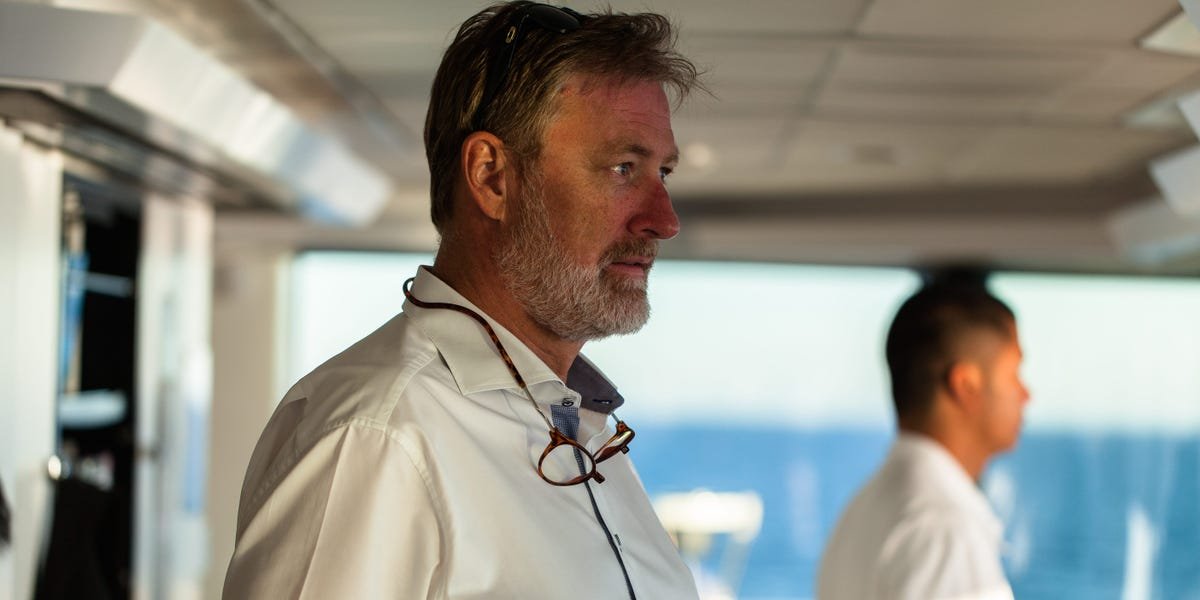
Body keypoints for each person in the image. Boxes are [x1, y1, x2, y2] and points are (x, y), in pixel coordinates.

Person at [223, 2, 702, 598]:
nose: (665, 220)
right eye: (623, 168)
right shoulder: (378, 435)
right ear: (492, 177)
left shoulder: (578, 427)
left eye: (663, 173)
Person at [817, 280, 1030, 600]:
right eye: (1013, 374)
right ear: (966, 386)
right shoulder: (946, 530)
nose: (1026, 394)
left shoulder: (861, 511)